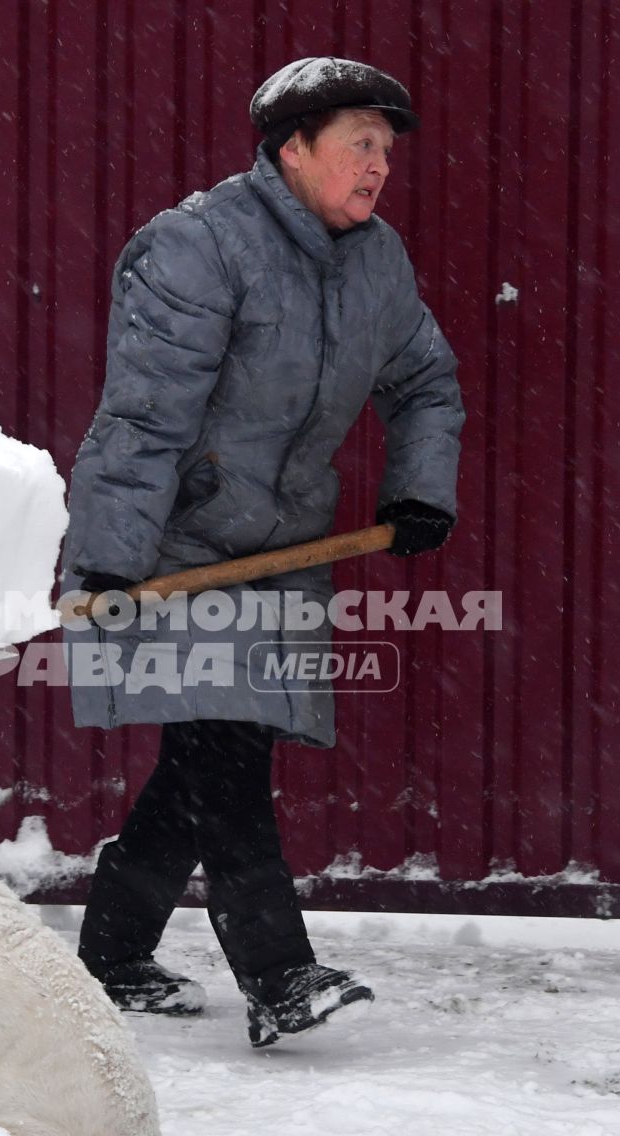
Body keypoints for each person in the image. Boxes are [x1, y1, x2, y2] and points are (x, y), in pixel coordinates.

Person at [59, 57, 466, 1047]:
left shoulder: (375, 261)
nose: (376, 168)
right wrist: (109, 557)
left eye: (384, 150)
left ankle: (106, 958)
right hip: (177, 546)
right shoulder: (197, 248)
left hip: (280, 549)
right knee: (222, 759)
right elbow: (144, 417)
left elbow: (425, 383)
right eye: (356, 145)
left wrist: (417, 487)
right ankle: (279, 976)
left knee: (204, 759)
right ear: (292, 149)